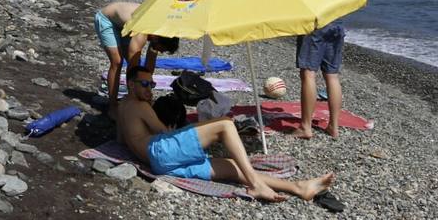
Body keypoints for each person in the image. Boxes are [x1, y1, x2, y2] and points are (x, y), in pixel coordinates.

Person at [117, 65, 335, 202]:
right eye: (144, 84)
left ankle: (299, 187)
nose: (149, 88)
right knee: (225, 125)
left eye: (152, 83)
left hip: (159, 162)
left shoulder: (124, 106)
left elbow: (124, 137)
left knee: (232, 167)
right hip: (160, 150)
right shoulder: (140, 106)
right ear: (130, 83)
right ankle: (256, 184)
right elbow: (163, 132)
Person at [296, 0, 363, 139]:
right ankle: (333, 126)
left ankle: (306, 126)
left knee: (308, 73)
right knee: (332, 75)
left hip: (317, 21)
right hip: (337, 22)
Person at [93, 2, 178, 115]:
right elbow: (132, 69)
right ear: (157, 40)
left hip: (125, 25)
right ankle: (112, 107)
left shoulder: (161, 32)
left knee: (137, 68)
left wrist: (146, 91)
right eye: (162, 49)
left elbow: (148, 67)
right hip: (107, 19)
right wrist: (134, 99)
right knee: (117, 62)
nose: (162, 52)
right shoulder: (141, 34)